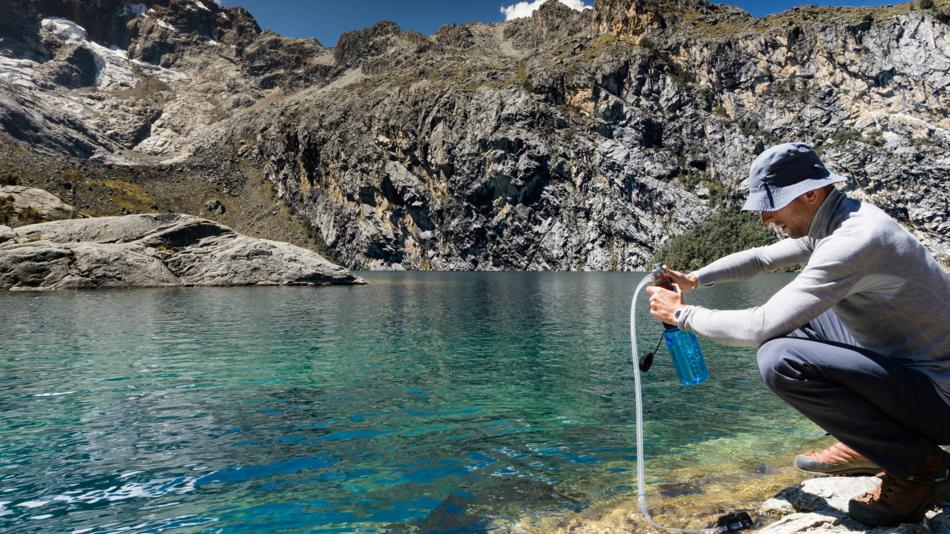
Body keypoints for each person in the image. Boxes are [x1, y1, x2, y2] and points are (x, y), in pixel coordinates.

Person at [645, 142, 950, 527]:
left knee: (780, 359)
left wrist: (682, 314)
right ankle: (872, 444)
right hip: (919, 371)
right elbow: (760, 258)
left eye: (770, 204)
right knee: (799, 326)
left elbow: (760, 325)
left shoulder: (854, 240)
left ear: (810, 194)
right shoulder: (842, 217)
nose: (764, 217)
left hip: (942, 397)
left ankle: (922, 469)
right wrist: (695, 279)